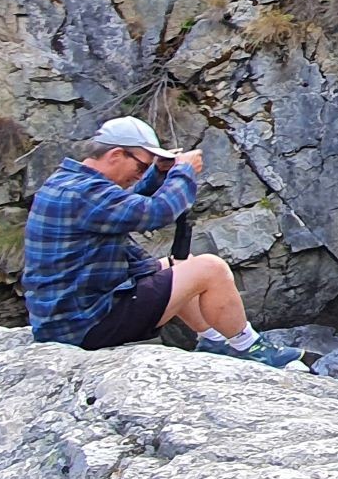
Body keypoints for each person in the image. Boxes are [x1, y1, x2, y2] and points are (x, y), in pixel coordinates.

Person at [23, 116, 300, 368]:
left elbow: (124, 203)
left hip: (65, 321)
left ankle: (214, 341)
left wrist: (159, 174)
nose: (141, 174)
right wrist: (183, 172)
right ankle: (249, 346)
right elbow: (158, 212)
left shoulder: (67, 183)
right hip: (87, 325)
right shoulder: (86, 193)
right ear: (116, 154)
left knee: (176, 267)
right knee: (210, 268)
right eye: (142, 166)